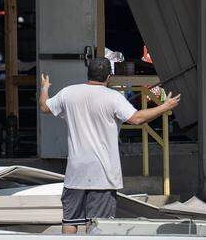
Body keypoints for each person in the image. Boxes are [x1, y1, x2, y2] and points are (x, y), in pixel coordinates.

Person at [39, 58, 180, 234]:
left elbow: (45, 107)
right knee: (99, 227)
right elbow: (137, 119)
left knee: (70, 222)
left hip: (75, 173)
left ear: (88, 73)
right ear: (109, 76)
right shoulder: (113, 97)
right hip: (102, 175)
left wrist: (45, 87)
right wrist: (165, 106)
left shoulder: (69, 93)